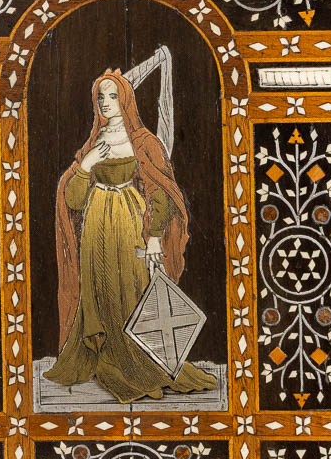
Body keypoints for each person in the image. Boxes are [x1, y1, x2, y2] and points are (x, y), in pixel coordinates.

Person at [45, 70, 217, 403]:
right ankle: (110, 359)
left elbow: (162, 194)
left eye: (112, 96)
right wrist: (86, 165)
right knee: (101, 287)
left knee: (136, 288)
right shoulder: (94, 142)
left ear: (126, 99)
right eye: (100, 97)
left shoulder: (143, 141)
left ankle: (144, 366)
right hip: (96, 225)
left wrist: (154, 237)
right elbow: (74, 200)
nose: (106, 103)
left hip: (130, 222)